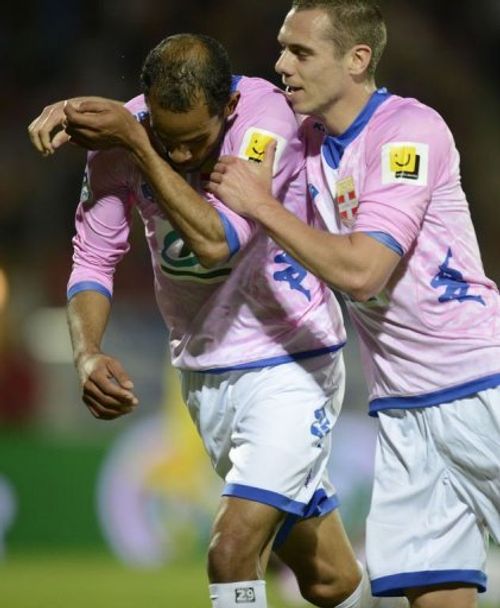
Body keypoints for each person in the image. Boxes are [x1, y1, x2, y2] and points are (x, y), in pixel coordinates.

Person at [28, 33, 408, 608]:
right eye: (165, 138)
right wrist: (88, 351)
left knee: (230, 550)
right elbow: (93, 257)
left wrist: (138, 142)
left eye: (194, 142)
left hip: (291, 362)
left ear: (227, 108)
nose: (181, 156)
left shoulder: (264, 121)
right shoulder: (121, 136)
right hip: (204, 373)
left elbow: (217, 241)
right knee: (327, 578)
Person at [206, 2, 500, 608]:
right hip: (403, 412)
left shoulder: (408, 133)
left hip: (480, 387)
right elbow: (212, 86)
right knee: (433, 594)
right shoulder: (303, 140)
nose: (282, 64)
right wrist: (109, 118)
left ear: (357, 59)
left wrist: (260, 204)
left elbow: (364, 272)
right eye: (282, 48)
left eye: (301, 52)